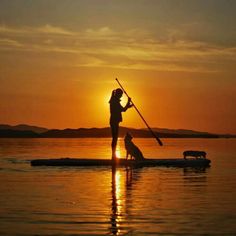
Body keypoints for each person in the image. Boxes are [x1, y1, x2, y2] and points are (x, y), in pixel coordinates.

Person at [109, 88, 133, 161]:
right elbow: (123, 109)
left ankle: (113, 156)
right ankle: (113, 156)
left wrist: (128, 105)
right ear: (118, 94)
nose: (121, 96)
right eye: (121, 95)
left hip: (114, 121)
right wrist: (128, 102)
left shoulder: (114, 101)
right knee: (115, 139)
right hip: (114, 121)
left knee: (115, 139)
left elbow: (123, 109)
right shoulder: (115, 102)